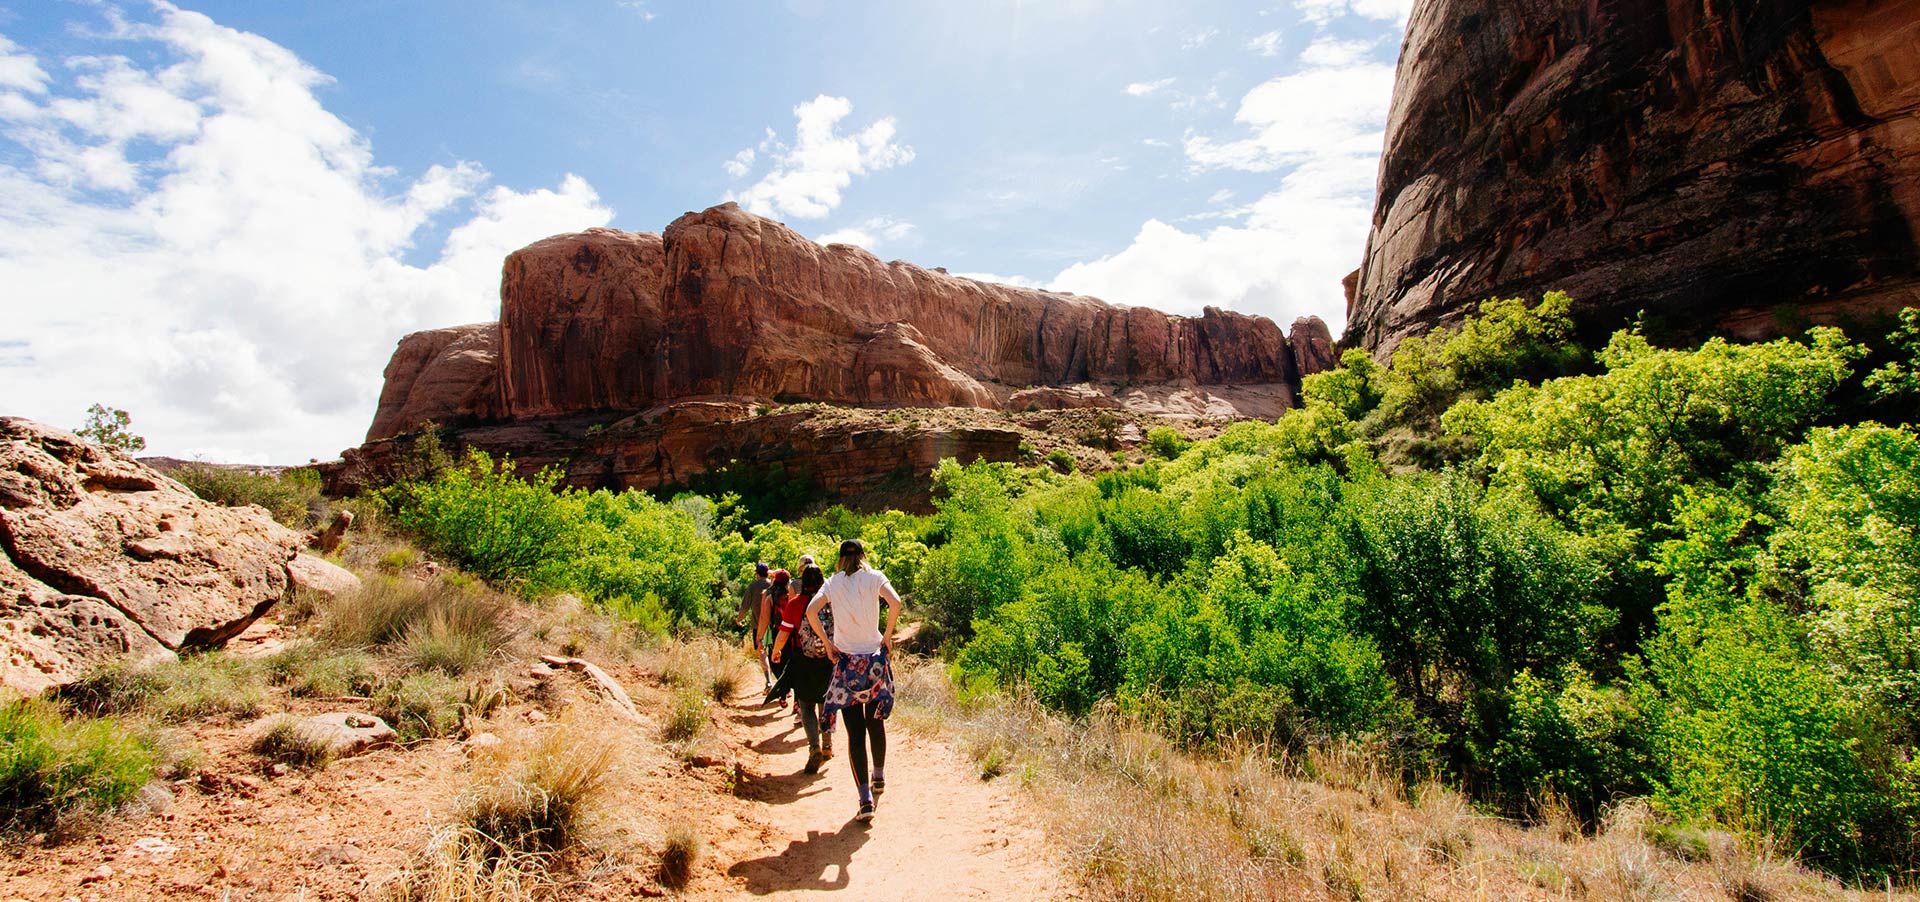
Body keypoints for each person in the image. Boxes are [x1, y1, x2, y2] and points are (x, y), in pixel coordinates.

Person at [805, 539, 901, 824]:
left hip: (846, 664)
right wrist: (887, 636)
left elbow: (811, 611)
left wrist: (827, 643)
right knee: (876, 722)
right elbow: (895, 602)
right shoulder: (874, 578)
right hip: (873, 661)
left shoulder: (832, 583)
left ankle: (864, 799)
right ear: (862, 555)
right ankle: (879, 777)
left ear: (840, 559)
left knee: (855, 733)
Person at [770, 564, 835, 771]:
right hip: (829, 658)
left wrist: (776, 651)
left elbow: (783, 634)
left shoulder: (795, 603)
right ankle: (827, 746)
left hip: (803, 659)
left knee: (806, 705)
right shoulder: (831, 602)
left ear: (802, 582)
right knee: (826, 703)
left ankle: (814, 747)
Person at [736, 563, 772, 690]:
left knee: (762, 652)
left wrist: (739, 619)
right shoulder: (772, 585)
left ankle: (768, 680)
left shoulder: (753, 586)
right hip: (773, 625)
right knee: (775, 652)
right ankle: (783, 686)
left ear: (757, 574)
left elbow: (745, 606)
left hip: (758, 626)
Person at [760, 568, 792, 708]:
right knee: (790, 663)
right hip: (792, 633)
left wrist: (760, 637)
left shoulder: (769, 597)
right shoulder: (792, 595)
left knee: (776, 663)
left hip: (776, 633)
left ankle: (783, 692)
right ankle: (795, 698)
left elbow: (764, 618)